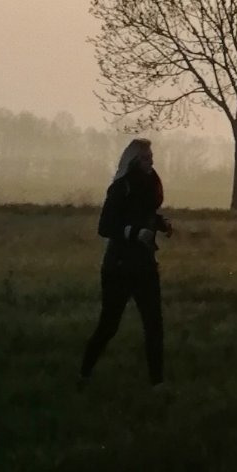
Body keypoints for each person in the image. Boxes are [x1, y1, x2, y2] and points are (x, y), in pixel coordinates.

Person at [80, 138, 170, 385]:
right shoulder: (121, 187)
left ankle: (157, 383)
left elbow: (146, 213)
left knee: (154, 326)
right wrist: (133, 232)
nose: (150, 161)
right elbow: (105, 226)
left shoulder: (152, 183)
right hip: (118, 267)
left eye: (151, 156)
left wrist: (159, 224)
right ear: (132, 160)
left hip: (145, 265)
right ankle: (84, 372)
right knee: (109, 326)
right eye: (144, 157)